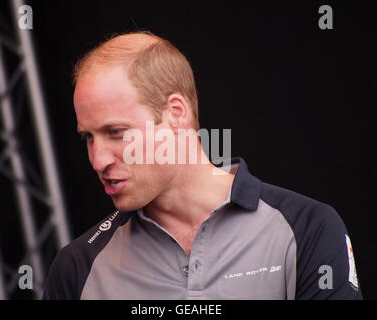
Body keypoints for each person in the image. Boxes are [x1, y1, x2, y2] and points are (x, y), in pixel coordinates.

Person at [42, 31, 361, 300]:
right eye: (87, 138)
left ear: (176, 113)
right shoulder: (77, 269)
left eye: (116, 132)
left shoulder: (308, 228)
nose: (98, 160)